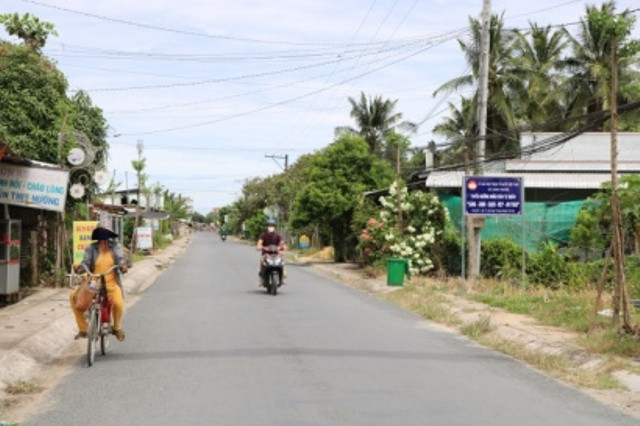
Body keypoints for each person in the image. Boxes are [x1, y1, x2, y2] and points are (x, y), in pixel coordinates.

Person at [70, 224, 128, 341]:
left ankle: (117, 327)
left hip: (111, 283)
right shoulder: (91, 248)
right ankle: (83, 329)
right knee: (73, 296)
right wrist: (79, 268)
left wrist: (123, 266)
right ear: (97, 236)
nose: (104, 239)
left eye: (106, 234)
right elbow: (86, 263)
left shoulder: (115, 247)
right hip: (94, 283)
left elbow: (120, 260)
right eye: (101, 234)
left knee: (118, 303)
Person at [256, 219, 286, 286]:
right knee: (262, 260)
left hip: (276, 254)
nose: (271, 227)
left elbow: (282, 244)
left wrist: (281, 247)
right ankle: (261, 277)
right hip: (266, 254)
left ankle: (283, 277)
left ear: (274, 227)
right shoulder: (263, 235)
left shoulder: (278, 236)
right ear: (267, 226)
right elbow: (259, 244)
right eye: (269, 225)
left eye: (272, 225)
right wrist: (261, 247)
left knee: (282, 262)